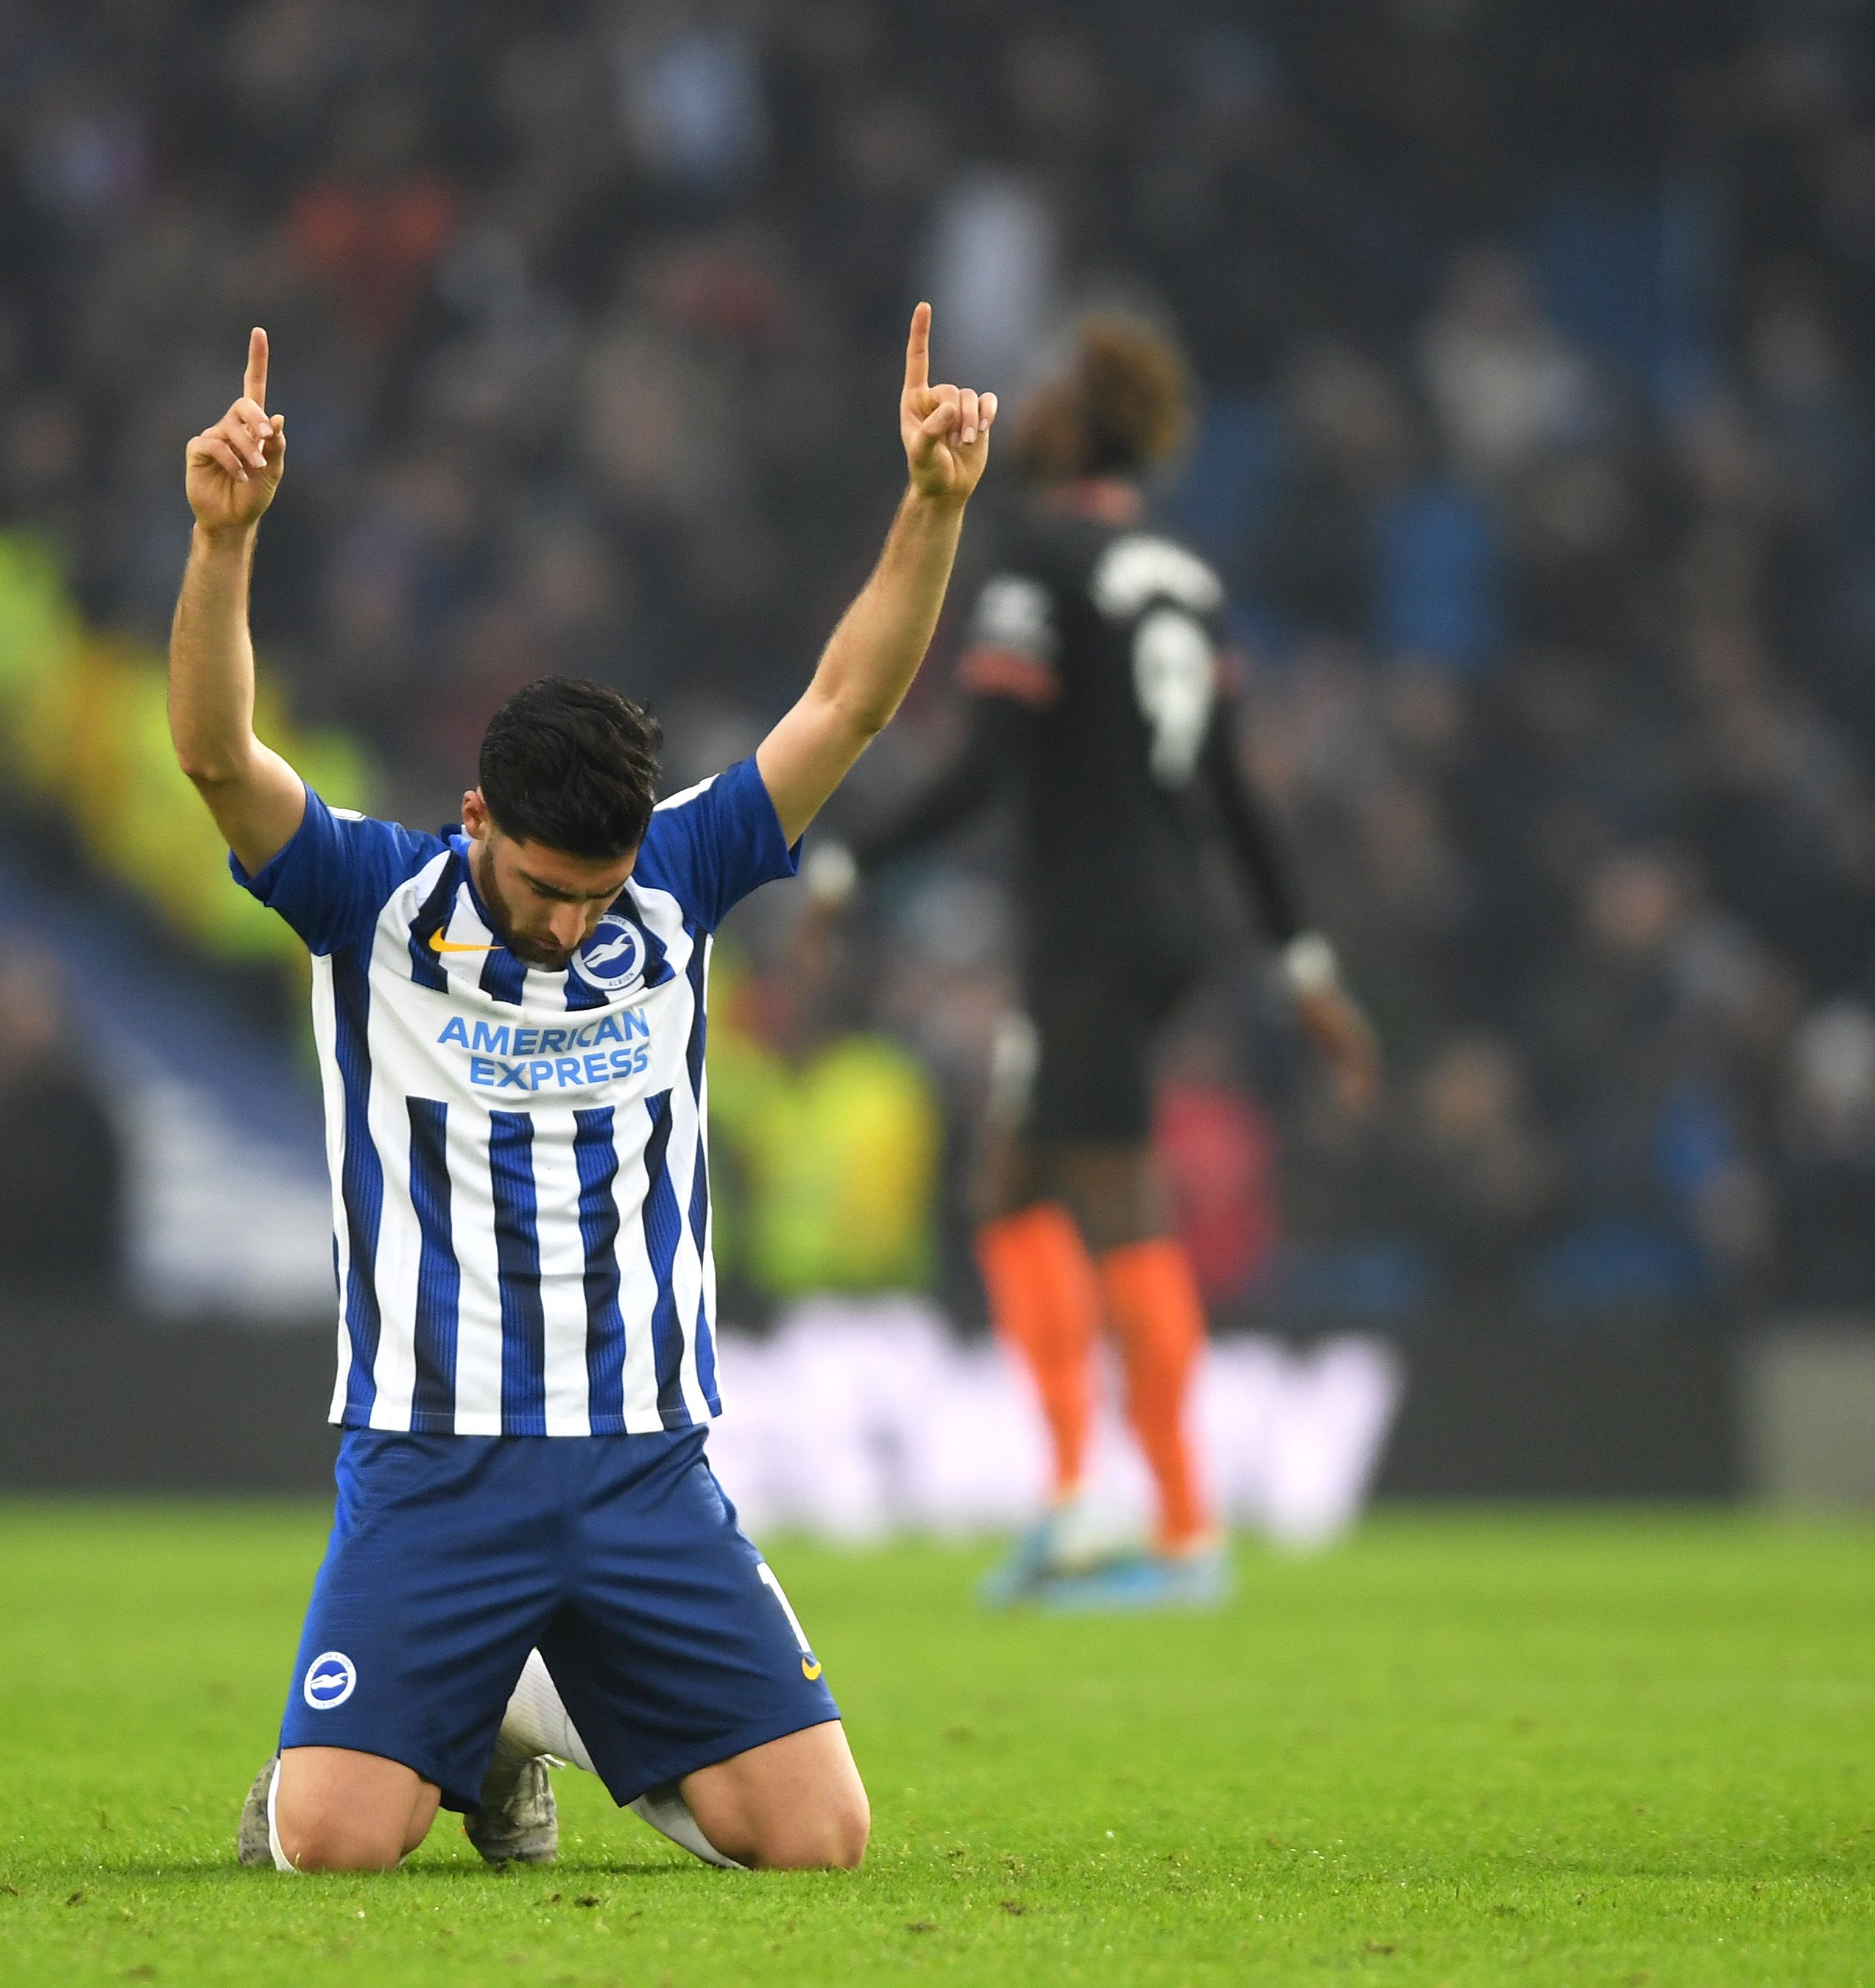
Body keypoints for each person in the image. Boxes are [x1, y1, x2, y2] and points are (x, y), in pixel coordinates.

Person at [171, 312, 995, 1871]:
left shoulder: (674, 877)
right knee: (335, 1847)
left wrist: (933, 508)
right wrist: (223, 545)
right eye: (548, 889)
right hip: (434, 1458)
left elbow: (848, 707)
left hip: (641, 1461)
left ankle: (522, 1703)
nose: (572, 922)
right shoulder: (368, 900)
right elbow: (217, 755)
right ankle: (455, 1722)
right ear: (477, 815)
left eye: (597, 894)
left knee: (819, 1842)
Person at [812, 316, 1379, 1611]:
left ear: (1082, 428)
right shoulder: (1185, 574)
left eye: (1055, 400)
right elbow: (1234, 794)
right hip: (1167, 912)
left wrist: (848, 860)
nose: (1036, 412)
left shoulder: (1046, 555)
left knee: (1113, 1194)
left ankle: (1183, 1526)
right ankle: (1074, 1501)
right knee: (1012, 1181)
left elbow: (991, 756)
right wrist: (1304, 968)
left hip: (1092, 919)